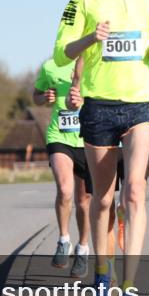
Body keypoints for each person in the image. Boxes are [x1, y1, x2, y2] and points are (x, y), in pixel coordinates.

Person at [53, 0, 149, 296]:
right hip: (100, 105)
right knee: (103, 198)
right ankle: (102, 274)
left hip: (142, 102)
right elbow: (62, 52)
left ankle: (130, 289)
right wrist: (91, 38)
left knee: (134, 191)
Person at [33, 58, 92, 279]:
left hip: (87, 139)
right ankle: (63, 240)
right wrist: (43, 98)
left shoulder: (96, 63)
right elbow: (36, 96)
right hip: (59, 135)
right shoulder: (50, 66)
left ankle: (83, 249)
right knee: (65, 190)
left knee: (84, 200)